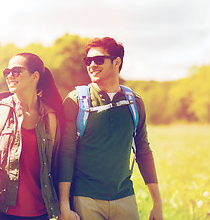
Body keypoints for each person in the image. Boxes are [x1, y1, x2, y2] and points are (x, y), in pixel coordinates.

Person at [58, 37, 163, 220]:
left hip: (125, 198)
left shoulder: (134, 102)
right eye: (88, 61)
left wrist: (157, 203)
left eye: (98, 60)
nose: (91, 65)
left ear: (117, 62)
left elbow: (143, 151)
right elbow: (66, 153)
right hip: (85, 199)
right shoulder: (75, 101)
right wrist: (64, 206)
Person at [0, 53, 64, 220]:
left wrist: (64, 206)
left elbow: (58, 166)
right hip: (2, 212)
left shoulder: (51, 117)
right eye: (7, 72)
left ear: (35, 76)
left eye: (16, 71)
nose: (9, 76)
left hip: (42, 213)